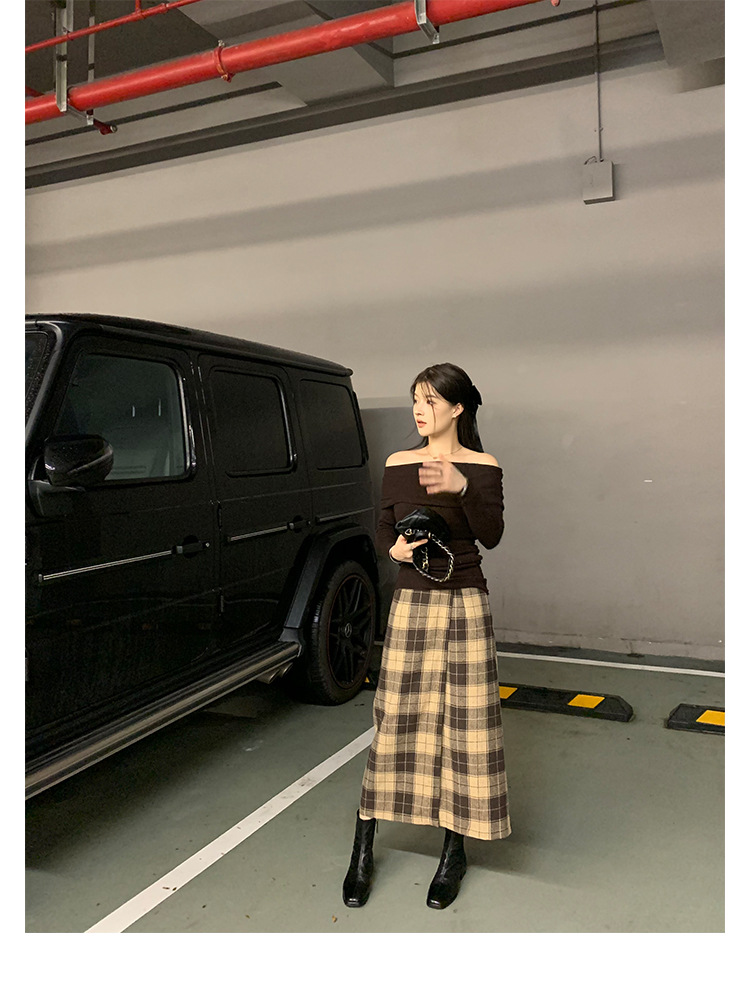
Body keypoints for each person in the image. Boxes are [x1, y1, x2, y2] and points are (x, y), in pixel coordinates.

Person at [342, 363, 510, 910]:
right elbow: (384, 525)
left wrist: (462, 487)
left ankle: (452, 852)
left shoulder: (483, 467)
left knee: (466, 726)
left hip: (465, 601)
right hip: (413, 600)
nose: (420, 409)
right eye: (416, 398)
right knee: (394, 719)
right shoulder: (399, 462)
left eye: (431, 400)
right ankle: (362, 847)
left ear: (458, 408)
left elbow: (491, 534)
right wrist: (392, 549)